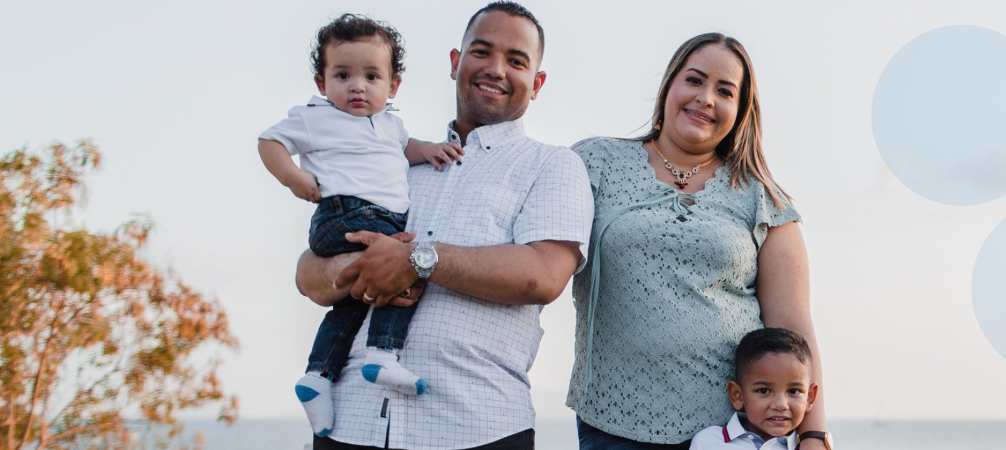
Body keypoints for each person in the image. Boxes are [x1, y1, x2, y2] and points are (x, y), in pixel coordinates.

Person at [293, 2, 594, 449]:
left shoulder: (553, 165)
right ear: (456, 62)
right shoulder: (393, 161)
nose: (495, 69)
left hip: (476, 426)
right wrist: (369, 265)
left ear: (537, 83)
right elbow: (308, 274)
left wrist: (416, 261)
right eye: (481, 52)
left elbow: (542, 275)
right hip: (350, 424)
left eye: (516, 61)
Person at [568, 33, 832, 449]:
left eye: (725, 91)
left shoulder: (765, 200)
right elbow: (539, 256)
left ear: (740, 109)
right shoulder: (595, 163)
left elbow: (793, 326)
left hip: (737, 433)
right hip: (615, 421)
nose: (706, 98)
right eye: (694, 80)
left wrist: (814, 433)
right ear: (669, 86)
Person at [258, 13, 465, 437]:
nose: (357, 86)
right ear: (322, 83)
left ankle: (318, 376)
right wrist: (294, 178)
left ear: (393, 86)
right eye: (343, 75)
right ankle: (382, 355)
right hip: (343, 213)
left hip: (376, 218)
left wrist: (433, 151)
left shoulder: (391, 124)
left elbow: (407, 149)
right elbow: (269, 142)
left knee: (353, 301)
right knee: (397, 266)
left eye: (372, 76)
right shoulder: (316, 116)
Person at [688, 328, 821, 450]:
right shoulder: (708, 442)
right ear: (737, 395)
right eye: (764, 391)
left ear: (809, 397)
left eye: (794, 391)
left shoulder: (810, 447)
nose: (780, 405)